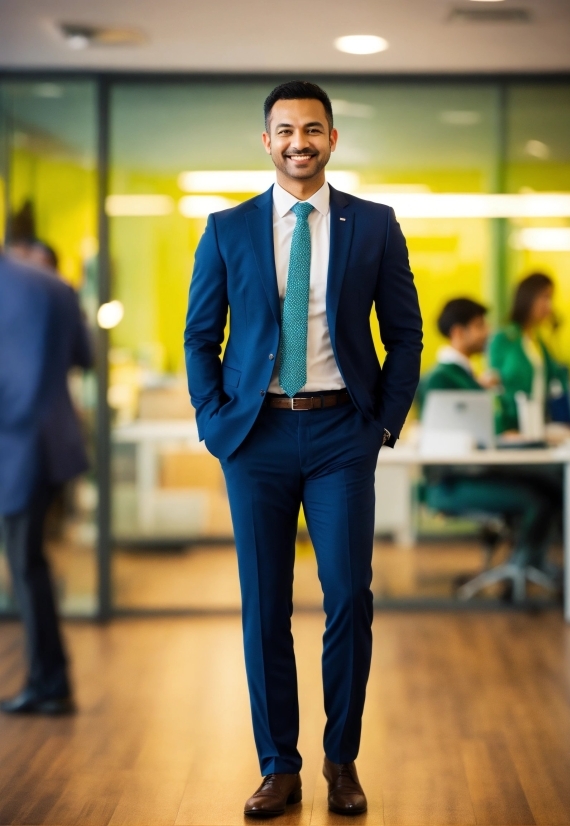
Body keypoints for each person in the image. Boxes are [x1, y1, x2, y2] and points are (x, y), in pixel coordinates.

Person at [184, 81, 423, 818]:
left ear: (331, 139)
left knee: (349, 596)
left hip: (339, 435)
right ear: (267, 142)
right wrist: (213, 418)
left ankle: (340, 760)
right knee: (265, 608)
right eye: (285, 130)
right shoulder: (227, 229)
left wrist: (382, 421)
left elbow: (405, 332)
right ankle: (277, 766)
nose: (299, 142)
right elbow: (201, 335)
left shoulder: (374, 225)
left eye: (312, 129)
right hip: (254, 438)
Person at [0, 251, 92, 714]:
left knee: (24, 566)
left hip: (19, 448)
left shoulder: (12, 288)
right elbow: (85, 355)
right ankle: (50, 677)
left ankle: (49, 680)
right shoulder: (52, 284)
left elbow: (16, 384)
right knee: (28, 564)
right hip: (53, 440)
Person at [418, 298, 560, 578]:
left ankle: (529, 563)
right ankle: (523, 565)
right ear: (459, 332)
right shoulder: (441, 378)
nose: (487, 333)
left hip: (473, 470)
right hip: (452, 480)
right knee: (541, 494)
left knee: (550, 484)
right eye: (479, 326)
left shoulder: (465, 376)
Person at [490, 272, 570, 432]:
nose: (549, 305)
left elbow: (557, 382)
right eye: (545, 297)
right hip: (510, 427)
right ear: (528, 298)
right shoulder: (504, 338)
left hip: (537, 425)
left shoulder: (539, 343)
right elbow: (495, 388)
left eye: (551, 299)